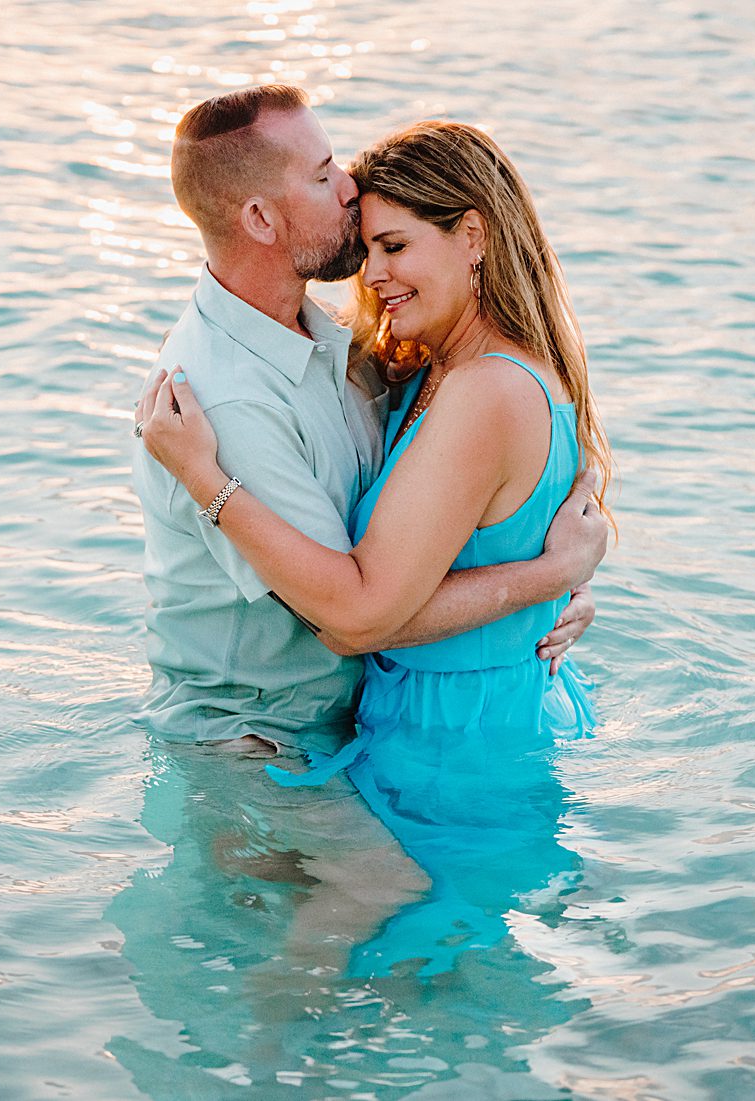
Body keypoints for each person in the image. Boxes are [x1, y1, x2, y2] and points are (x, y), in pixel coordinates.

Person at [127, 86, 607, 975]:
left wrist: (568, 566)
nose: (347, 183)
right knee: (382, 904)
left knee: (430, 954)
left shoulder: (336, 342)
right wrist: (546, 577)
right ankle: (258, 1067)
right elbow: (350, 615)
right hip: (254, 735)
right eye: (323, 173)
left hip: (363, 726)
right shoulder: (227, 398)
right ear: (263, 216)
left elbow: (497, 480)